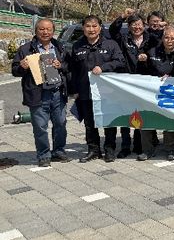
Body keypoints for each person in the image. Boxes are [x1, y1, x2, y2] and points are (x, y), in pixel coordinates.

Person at [12, 19, 70, 167]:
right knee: (40, 126)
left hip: (57, 92)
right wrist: (22, 67)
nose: (45, 32)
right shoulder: (26, 49)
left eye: (49, 29)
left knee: (60, 123)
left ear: (53, 31)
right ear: (36, 31)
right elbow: (15, 70)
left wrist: (61, 65)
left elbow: (69, 66)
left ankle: (59, 151)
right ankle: (44, 155)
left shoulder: (60, 47)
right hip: (38, 93)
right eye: (42, 29)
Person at [67, 15, 125, 163]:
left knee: (108, 121)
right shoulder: (77, 46)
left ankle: (109, 150)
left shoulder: (110, 44)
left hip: (107, 92)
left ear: (100, 27)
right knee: (89, 123)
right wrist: (74, 90)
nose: (91, 29)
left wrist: (104, 67)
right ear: (83, 28)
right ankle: (93, 150)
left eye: (94, 26)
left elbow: (120, 61)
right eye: (88, 26)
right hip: (85, 92)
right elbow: (72, 70)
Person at [109, 9, 159, 158]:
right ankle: (125, 146)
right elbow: (112, 30)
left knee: (142, 114)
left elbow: (159, 50)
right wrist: (122, 16)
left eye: (139, 24)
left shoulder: (151, 39)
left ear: (144, 25)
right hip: (127, 83)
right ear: (129, 26)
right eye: (133, 24)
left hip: (145, 84)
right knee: (126, 114)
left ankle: (139, 145)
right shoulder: (124, 39)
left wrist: (147, 58)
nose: (137, 27)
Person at [144, 27, 174, 161]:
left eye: (172, 38)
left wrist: (172, 75)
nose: (169, 40)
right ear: (162, 38)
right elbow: (144, 71)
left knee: (169, 121)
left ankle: (170, 149)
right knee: (147, 120)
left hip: (171, 93)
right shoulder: (152, 52)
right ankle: (147, 150)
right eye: (166, 37)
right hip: (152, 92)